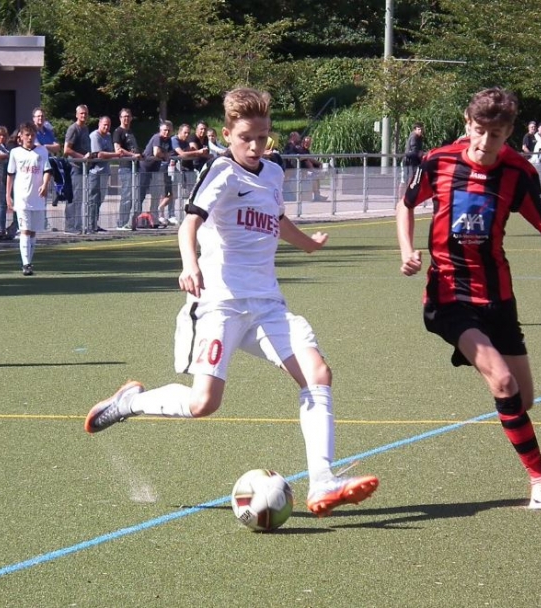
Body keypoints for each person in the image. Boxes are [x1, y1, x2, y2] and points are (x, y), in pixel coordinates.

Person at [84, 87, 380, 518]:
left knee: (317, 373)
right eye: (246, 138)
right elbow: (189, 225)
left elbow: (277, 220)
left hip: (267, 304)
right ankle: (130, 402)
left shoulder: (273, 173)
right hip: (220, 303)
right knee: (204, 403)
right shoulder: (221, 171)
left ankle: (322, 481)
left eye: (263, 137)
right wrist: (190, 265)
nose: (256, 146)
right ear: (227, 135)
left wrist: (307, 245)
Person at [395, 87, 541, 511]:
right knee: (503, 383)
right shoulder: (438, 161)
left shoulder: (519, 173)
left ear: (510, 133)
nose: (486, 142)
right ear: (468, 124)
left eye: (498, 135)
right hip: (448, 297)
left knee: (522, 399)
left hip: (499, 299)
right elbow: (406, 204)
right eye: (480, 131)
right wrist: (407, 250)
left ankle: (508, 408)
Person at [6, 122, 52, 276]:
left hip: (37, 197)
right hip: (22, 197)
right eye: (27, 135)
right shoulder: (15, 153)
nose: (30, 138)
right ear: (21, 136)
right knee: (24, 230)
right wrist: (8, 195)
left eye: (32, 134)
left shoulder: (42, 151)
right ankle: (26, 264)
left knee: (32, 232)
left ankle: (30, 261)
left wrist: (45, 184)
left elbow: (47, 170)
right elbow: (10, 175)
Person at [63, 104, 92, 232]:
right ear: (76, 115)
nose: (83, 116)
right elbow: (66, 150)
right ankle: (70, 226)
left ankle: (77, 224)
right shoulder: (73, 129)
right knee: (74, 197)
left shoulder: (85, 128)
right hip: (75, 167)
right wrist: (82, 157)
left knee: (80, 197)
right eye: (81, 113)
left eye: (85, 113)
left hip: (84, 168)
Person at [88, 115, 119, 232]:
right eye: (104, 125)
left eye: (108, 125)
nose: (106, 127)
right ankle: (89, 224)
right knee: (93, 198)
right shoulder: (94, 136)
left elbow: (108, 152)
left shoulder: (108, 136)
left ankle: (95, 224)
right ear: (99, 124)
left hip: (105, 172)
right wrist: (116, 154)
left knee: (100, 199)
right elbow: (99, 154)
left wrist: (111, 154)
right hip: (95, 172)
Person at [113, 108, 141, 230]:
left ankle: (131, 222)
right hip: (125, 167)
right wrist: (133, 155)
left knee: (134, 196)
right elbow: (118, 149)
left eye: (128, 116)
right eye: (124, 116)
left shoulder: (130, 132)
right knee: (127, 195)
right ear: (120, 118)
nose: (126, 118)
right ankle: (121, 223)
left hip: (135, 167)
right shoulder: (118, 132)